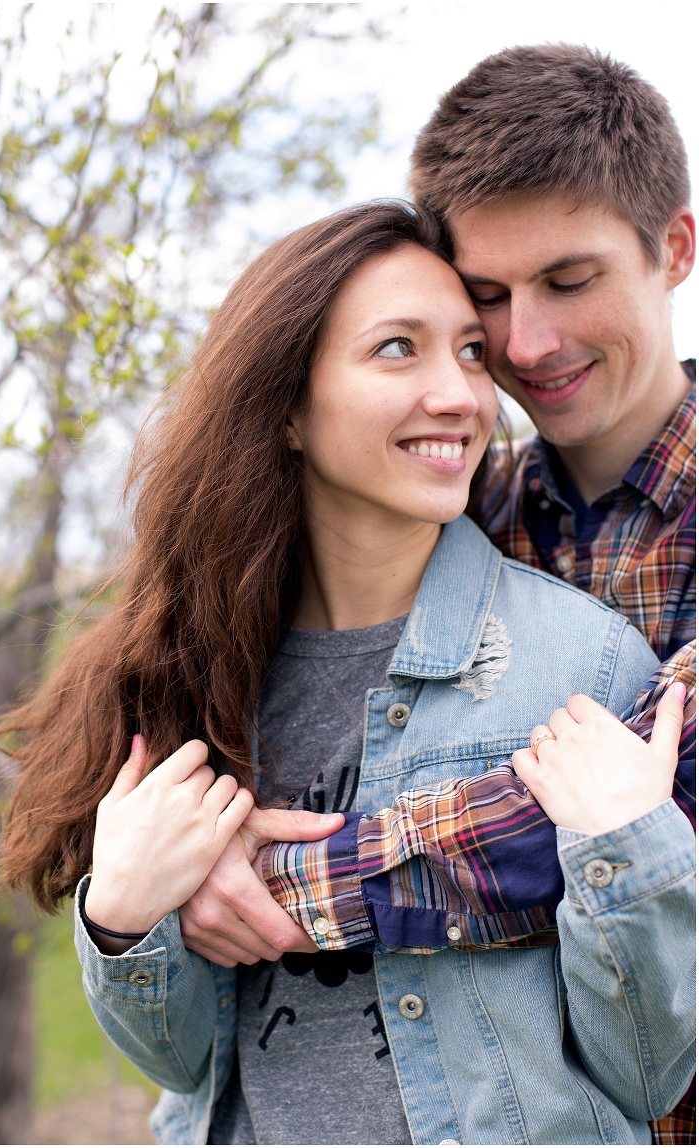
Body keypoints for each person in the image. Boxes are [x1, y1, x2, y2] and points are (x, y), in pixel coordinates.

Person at [0, 201, 694, 1145]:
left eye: (469, 353)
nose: (459, 394)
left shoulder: (587, 664)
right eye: (398, 349)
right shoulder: (197, 674)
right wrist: (120, 916)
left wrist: (628, 849)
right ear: (286, 404)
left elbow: (653, 1070)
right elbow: (181, 1060)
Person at [221, 46, 696, 1145]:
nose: (529, 344)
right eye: (490, 301)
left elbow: (637, 809)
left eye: (571, 281)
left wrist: (266, 885)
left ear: (674, 248)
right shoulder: (455, 526)